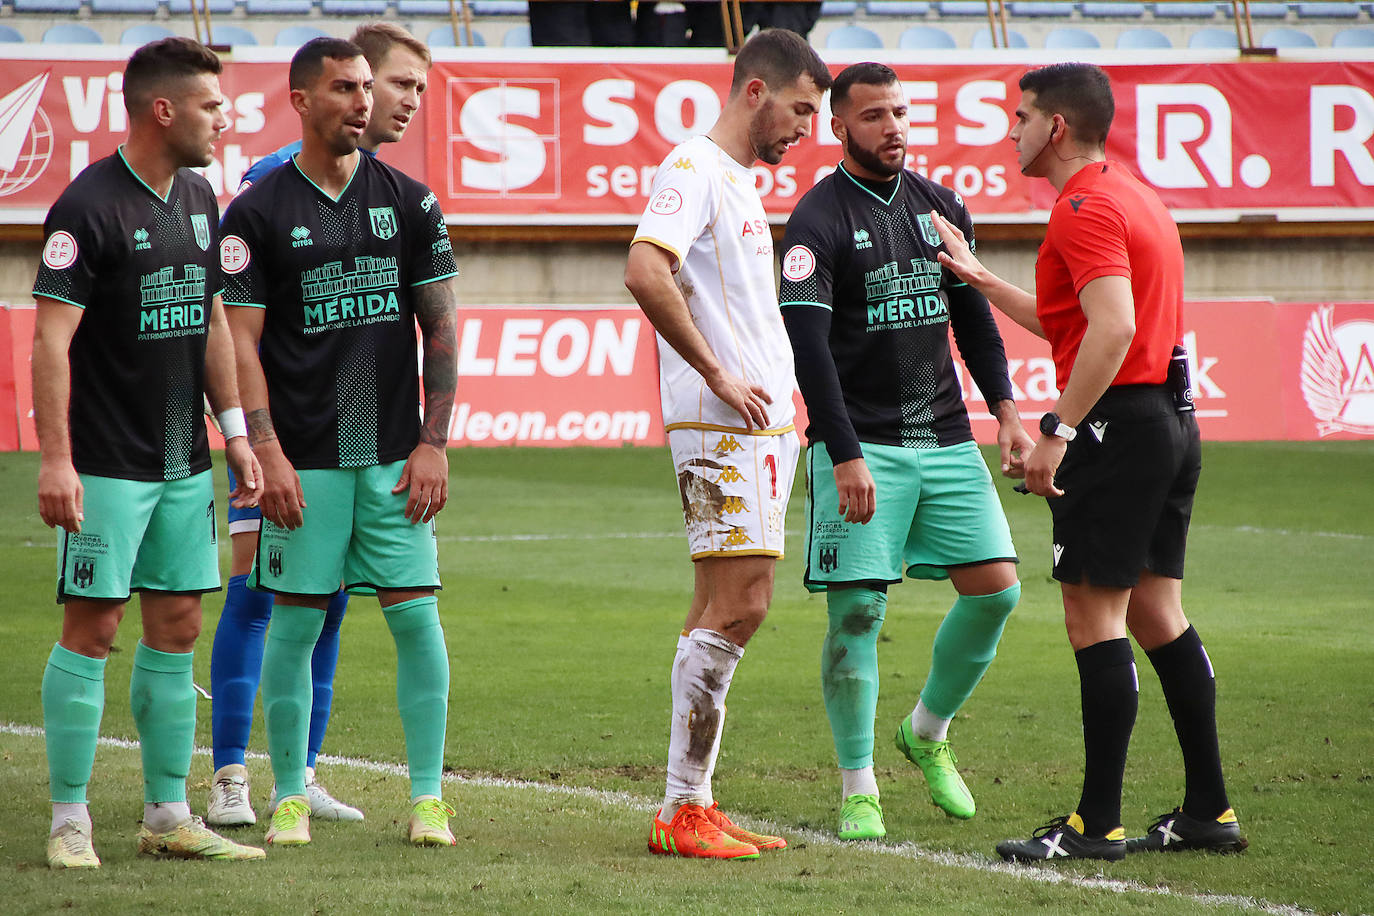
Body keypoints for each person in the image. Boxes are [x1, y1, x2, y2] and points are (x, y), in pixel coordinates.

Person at [932, 62, 1246, 862]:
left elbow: (1110, 330)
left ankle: (1093, 825)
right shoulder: (1133, 194)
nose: (1012, 131)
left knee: (1094, 619)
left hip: (1120, 426)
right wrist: (979, 278)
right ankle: (1209, 810)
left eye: (1022, 116)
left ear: (1056, 128)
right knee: (1156, 613)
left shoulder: (1080, 207)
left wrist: (1057, 429)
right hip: (1170, 420)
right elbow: (1078, 322)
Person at [778, 62, 1031, 842]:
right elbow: (809, 349)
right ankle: (859, 787)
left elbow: (975, 321)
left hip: (948, 437)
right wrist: (843, 454)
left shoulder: (941, 207)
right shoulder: (815, 221)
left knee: (997, 592)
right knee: (857, 612)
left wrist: (1009, 414)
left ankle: (924, 734)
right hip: (864, 446)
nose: (893, 127)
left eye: (901, 112)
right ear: (839, 126)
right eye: (875, 115)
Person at [32, 37, 266, 869]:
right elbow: (51, 343)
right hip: (102, 464)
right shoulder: (87, 207)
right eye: (210, 103)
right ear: (162, 109)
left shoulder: (201, 196)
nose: (223, 116)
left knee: (179, 624)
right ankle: (69, 820)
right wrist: (55, 460)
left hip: (181, 462)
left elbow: (206, 321)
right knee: (93, 628)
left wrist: (234, 434)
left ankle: (168, 815)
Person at [220, 37, 460, 848]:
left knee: (416, 619)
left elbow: (442, 326)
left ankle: (428, 800)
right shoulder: (256, 212)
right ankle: (289, 794)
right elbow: (242, 344)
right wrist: (268, 453)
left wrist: (435, 442)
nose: (363, 102)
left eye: (368, 87)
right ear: (300, 100)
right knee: (292, 623)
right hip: (307, 461)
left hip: (394, 455)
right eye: (344, 89)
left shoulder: (411, 201)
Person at [624, 28, 831, 861]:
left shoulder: (739, 179)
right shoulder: (694, 167)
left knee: (721, 606)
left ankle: (693, 804)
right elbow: (645, 269)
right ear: (757, 91)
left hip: (758, 423)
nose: (805, 129)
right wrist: (718, 373)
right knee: (743, 604)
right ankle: (680, 808)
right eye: (802, 110)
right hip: (723, 423)